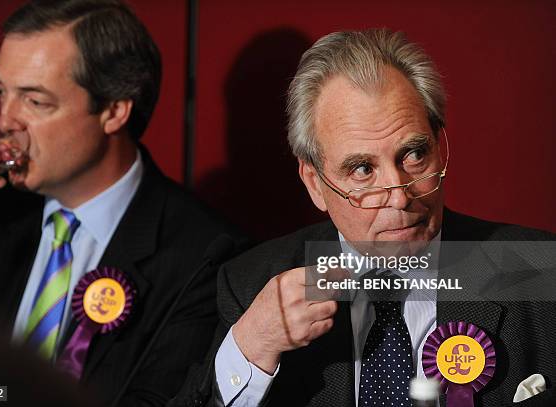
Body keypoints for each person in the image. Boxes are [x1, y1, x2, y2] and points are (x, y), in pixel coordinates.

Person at [171, 29, 555, 406]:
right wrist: (251, 348)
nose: (399, 195)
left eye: (414, 154)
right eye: (361, 170)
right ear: (315, 184)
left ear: (439, 146)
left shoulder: (540, 271)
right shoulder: (251, 286)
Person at [0, 1, 246, 405]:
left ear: (113, 110)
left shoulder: (206, 258)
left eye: (35, 102)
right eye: (2, 92)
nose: (4, 120)